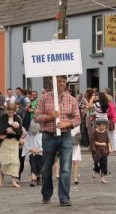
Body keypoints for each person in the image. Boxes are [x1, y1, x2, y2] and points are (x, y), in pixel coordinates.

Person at [34, 75, 81, 207]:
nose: (61, 83)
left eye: (63, 81)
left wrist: (67, 123)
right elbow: (36, 117)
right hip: (48, 136)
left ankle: (64, 197)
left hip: (65, 137)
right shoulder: (43, 98)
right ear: (53, 83)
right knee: (46, 168)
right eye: (59, 81)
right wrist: (50, 117)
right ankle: (46, 194)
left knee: (66, 168)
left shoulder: (71, 99)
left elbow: (78, 119)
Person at [0, 103, 23, 188]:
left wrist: (13, 132)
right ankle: (1, 178)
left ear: (15, 111)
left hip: (14, 142)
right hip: (5, 142)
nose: (11, 113)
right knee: (4, 161)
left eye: (13, 111)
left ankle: (13, 181)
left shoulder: (18, 118)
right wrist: (7, 130)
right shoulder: (2, 118)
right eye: (9, 111)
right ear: (6, 110)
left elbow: (20, 131)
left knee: (15, 161)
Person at [23, 122, 43, 187]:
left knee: (39, 166)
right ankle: (33, 179)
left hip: (40, 153)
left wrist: (39, 150)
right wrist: (31, 150)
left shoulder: (41, 136)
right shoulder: (28, 136)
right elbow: (26, 145)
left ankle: (38, 177)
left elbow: (44, 145)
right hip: (31, 153)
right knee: (33, 165)